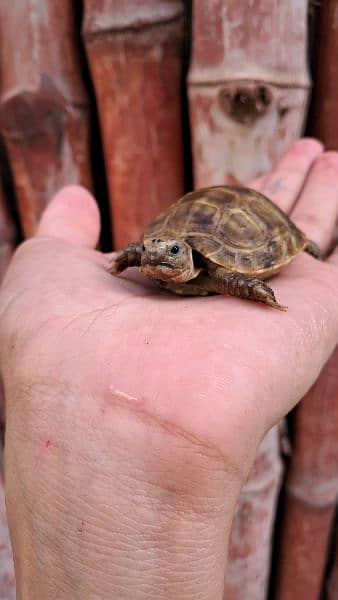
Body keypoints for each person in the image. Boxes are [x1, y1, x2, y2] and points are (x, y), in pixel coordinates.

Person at [0, 138, 337, 599]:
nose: (157, 257)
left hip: (247, 232)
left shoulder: (217, 271)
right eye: (152, 252)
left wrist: (257, 282)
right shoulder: (155, 254)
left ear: (189, 259)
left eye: (169, 254)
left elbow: (233, 276)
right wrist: (127, 258)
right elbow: (144, 253)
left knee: (241, 282)